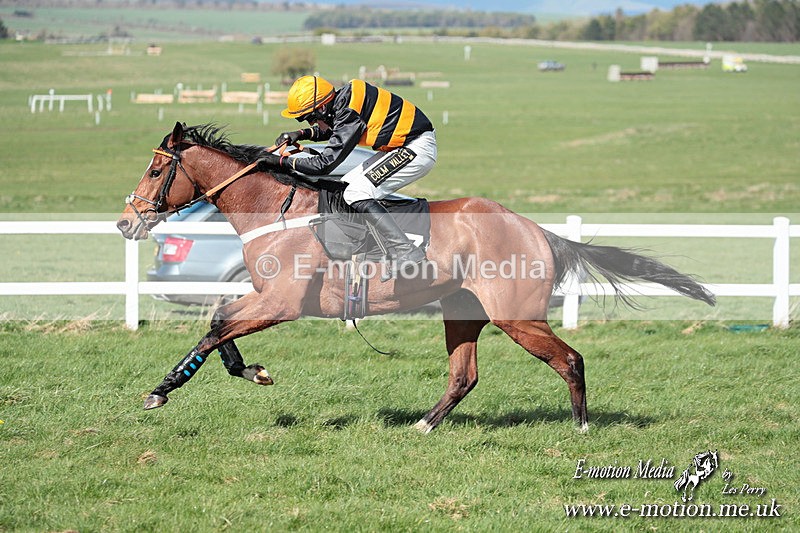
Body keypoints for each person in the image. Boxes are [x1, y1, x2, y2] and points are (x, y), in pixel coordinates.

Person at [258, 75, 436, 270]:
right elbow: (336, 130)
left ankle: (405, 250)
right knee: (347, 187)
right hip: (403, 146)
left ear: (322, 108)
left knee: (356, 193)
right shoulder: (343, 104)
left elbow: (324, 165)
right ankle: (379, 243)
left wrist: (282, 162)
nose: (309, 124)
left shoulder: (349, 110)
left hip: (416, 148)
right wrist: (301, 134)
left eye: (309, 118)